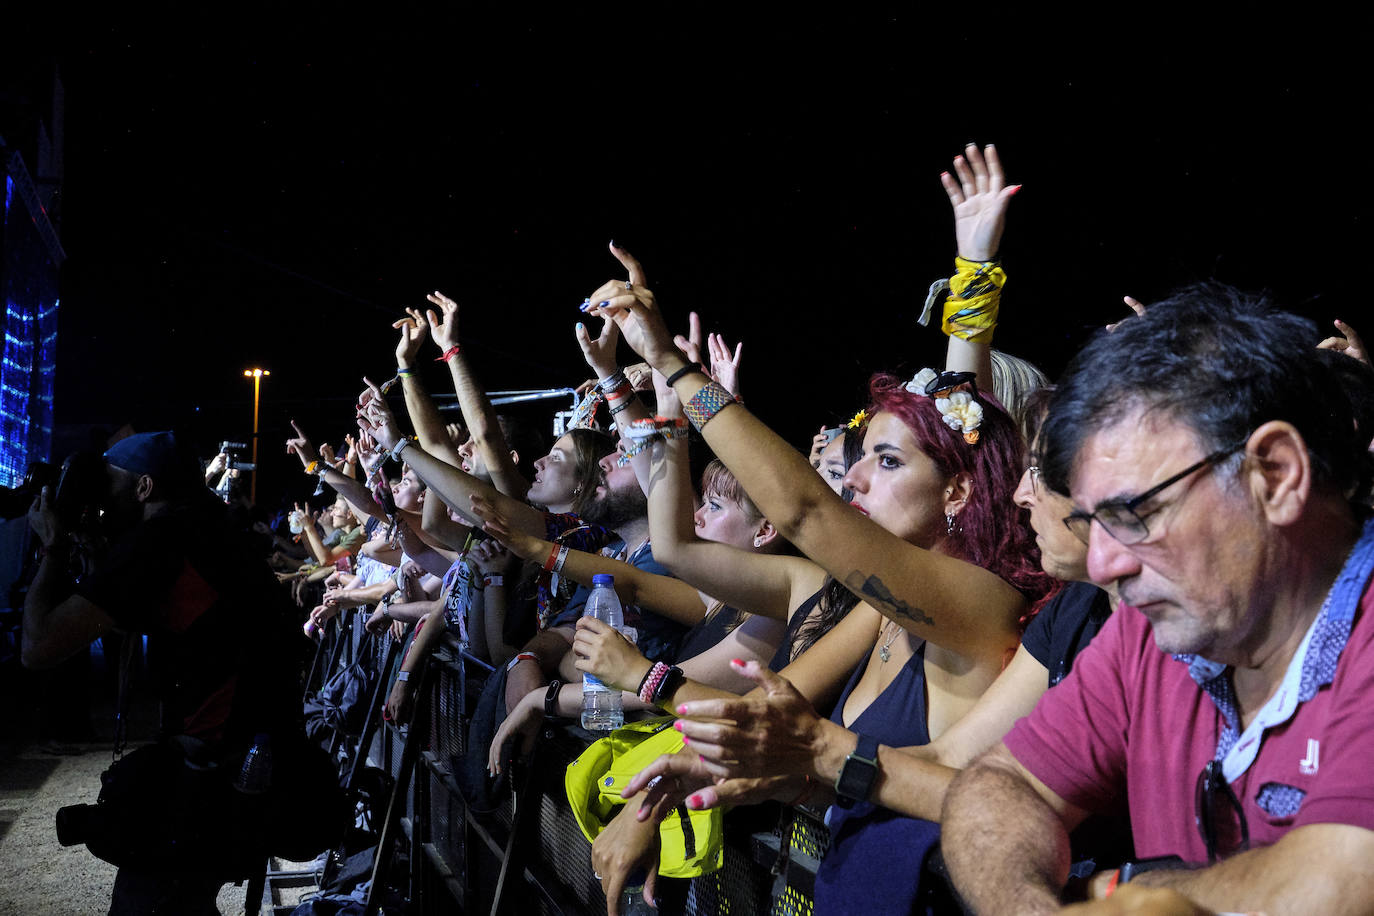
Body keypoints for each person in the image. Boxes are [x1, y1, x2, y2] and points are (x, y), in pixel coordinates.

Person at [940, 287, 1374, 915]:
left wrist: (1131, 891)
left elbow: (1341, 884)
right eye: (1094, 522)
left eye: (1135, 514)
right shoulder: (1151, 632)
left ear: (1275, 475)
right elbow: (996, 785)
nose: (1102, 563)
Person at [23, 430, 342, 914]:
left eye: (110, 483)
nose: (101, 496)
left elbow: (39, 645)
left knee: (152, 901)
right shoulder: (209, 529)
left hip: (215, 765)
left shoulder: (162, 542)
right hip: (253, 752)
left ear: (145, 488)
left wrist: (51, 548)